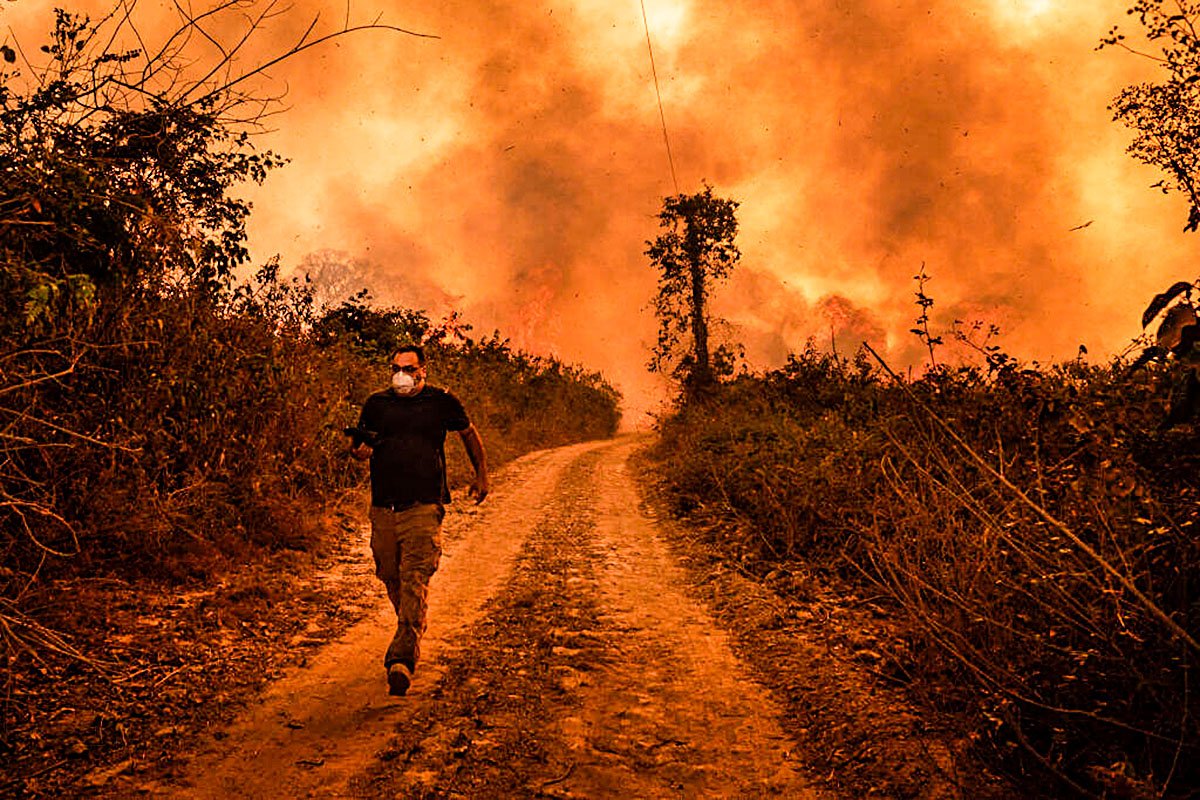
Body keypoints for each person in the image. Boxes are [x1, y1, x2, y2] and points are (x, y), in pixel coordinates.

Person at [348, 344, 488, 696]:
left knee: (415, 576)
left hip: (424, 506)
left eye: (408, 369)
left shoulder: (441, 402)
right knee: (390, 574)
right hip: (383, 508)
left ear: (423, 370)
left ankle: (402, 657)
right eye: (396, 368)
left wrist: (481, 474)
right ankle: (410, 624)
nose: (401, 375)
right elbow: (361, 446)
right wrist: (360, 450)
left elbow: (468, 433)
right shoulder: (377, 404)